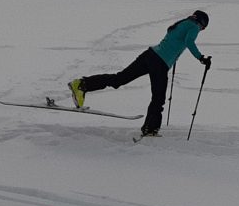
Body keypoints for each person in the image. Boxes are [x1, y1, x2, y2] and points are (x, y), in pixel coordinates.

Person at [68, 10, 212, 137]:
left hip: (149, 55)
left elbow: (174, 41)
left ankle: (82, 84)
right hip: (160, 64)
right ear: (202, 24)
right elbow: (189, 42)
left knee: (120, 78)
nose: (201, 30)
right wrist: (201, 58)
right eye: (203, 28)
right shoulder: (194, 26)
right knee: (158, 98)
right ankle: (150, 128)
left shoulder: (182, 23)